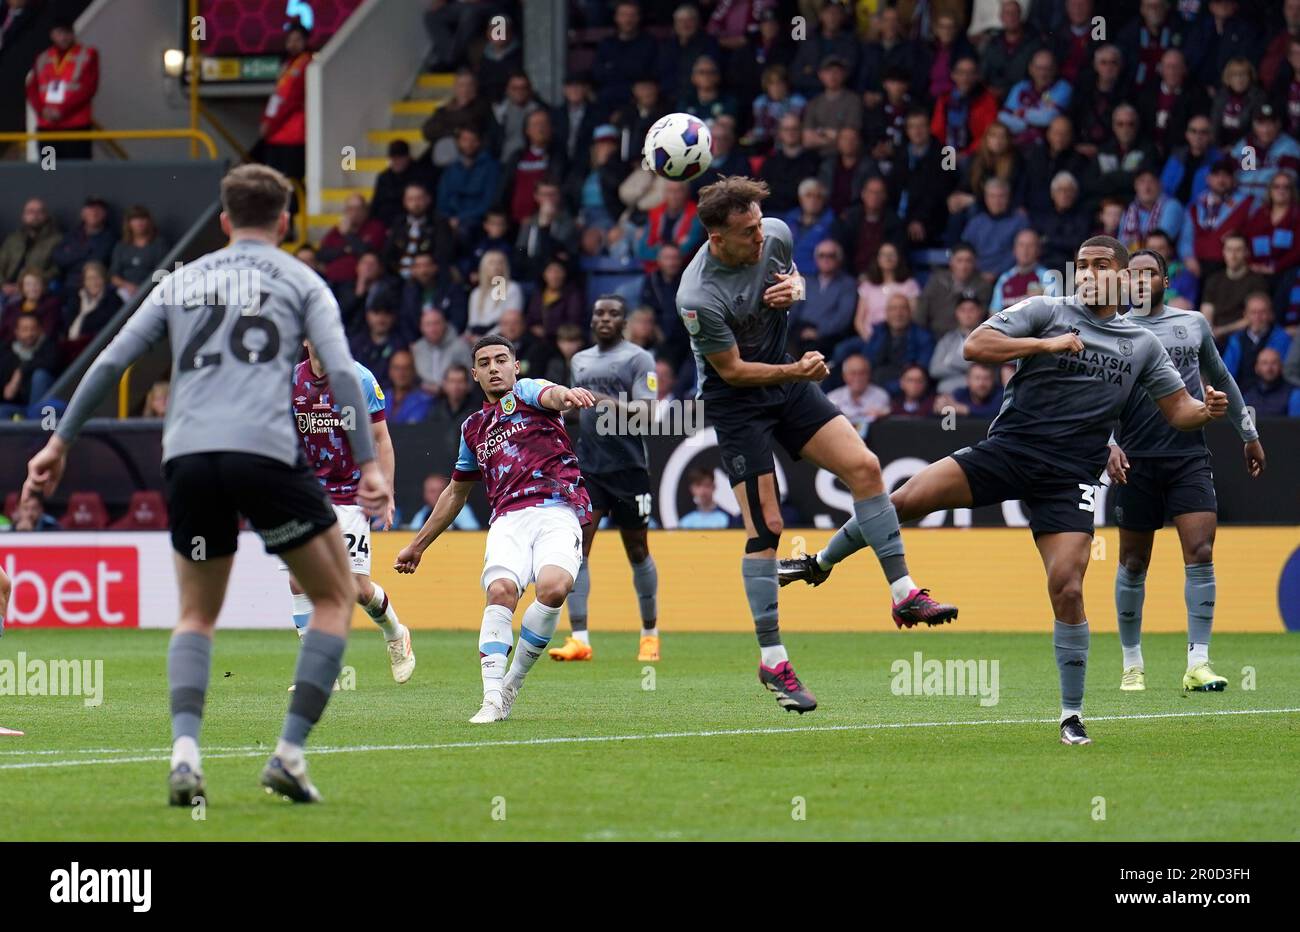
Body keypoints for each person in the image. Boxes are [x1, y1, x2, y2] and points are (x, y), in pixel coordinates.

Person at [21, 164, 390, 803]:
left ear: (222, 221)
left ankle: (186, 756)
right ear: (284, 222)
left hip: (188, 455)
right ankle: (289, 753)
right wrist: (370, 467)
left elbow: (111, 359)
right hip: (268, 455)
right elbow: (339, 371)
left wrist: (59, 442)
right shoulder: (304, 281)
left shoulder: (182, 279)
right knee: (334, 598)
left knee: (195, 613)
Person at [803, 237, 1226, 746]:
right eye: (1082, 266)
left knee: (1067, 587)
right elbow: (974, 346)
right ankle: (820, 563)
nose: (1089, 274)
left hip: (1070, 477)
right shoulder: (1046, 310)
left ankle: (1071, 716)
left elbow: (1178, 410)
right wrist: (1045, 345)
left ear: (1122, 277)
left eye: (1101, 266)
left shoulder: (1141, 344)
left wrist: (1207, 411)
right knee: (903, 501)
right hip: (1010, 450)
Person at [677, 176, 956, 715]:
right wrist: (798, 368)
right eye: (747, 231)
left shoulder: (775, 234)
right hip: (737, 401)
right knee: (767, 529)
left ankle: (904, 595)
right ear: (717, 238)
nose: (761, 236)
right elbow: (732, 371)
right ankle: (772, 658)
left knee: (867, 468)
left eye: (760, 223)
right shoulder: (697, 295)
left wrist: (794, 291)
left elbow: (795, 281)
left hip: (788, 386)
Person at [394, 336, 596, 724]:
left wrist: (567, 394)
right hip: (508, 519)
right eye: (484, 362)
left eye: (501, 360)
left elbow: (552, 396)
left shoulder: (528, 392)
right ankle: (489, 699)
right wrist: (418, 545)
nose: (493, 367)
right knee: (501, 591)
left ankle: (510, 686)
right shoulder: (473, 428)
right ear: (474, 374)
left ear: (515, 366)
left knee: (554, 588)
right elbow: (456, 493)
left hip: (557, 508)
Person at [1106, 249, 1263, 695]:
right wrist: (1108, 445)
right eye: (1132, 275)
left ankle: (1198, 662)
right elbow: (1090, 396)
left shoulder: (1192, 324)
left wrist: (1247, 433)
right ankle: (1132, 663)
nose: (1139, 281)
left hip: (1189, 457)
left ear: (1164, 280)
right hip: (1135, 460)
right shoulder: (1111, 329)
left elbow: (1222, 378)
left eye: (1148, 273)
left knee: (1200, 550)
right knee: (1134, 562)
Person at [288, 339, 413, 685]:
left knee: (357, 589)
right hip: (307, 492)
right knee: (298, 578)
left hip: (350, 493)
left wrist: (386, 491)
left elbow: (381, 439)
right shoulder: (290, 381)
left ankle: (395, 633)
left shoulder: (358, 378)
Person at [549, 295, 662, 663]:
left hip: (630, 468)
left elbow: (648, 414)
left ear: (624, 320)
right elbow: (574, 410)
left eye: (613, 313)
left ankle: (649, 634)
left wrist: (600, 400)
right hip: (589, 468)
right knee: (579, 547)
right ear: (592, 318)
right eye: (599, 312)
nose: (605, 318)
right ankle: (579, 638)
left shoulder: (638, 358)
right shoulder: (579, 360)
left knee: (637, 550)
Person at [25, 19, 98, 161]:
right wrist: (42, 110)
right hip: (47, 128)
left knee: (77, 173)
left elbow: (88, 89)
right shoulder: (43, 57)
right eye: (59, 33)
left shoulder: (88, 54)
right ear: (52, 35)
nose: (63, 37)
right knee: (49, 170)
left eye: (67, 33)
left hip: (76, 127)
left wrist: (61, 111)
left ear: (73, 34)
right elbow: (32, 88)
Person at [258, 22, 311, 185]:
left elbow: (289, 100)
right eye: (290, 40)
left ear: (305, 41)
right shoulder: (287, 66)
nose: (293, 44)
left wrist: (269, 123)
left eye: (297, 40)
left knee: (289, 184)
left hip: (293, 135)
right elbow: (277, 97)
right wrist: (267, 120)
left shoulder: (305, 64)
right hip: (278, 135)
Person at [0, 199, 59, 296]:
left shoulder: (55, 240)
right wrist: (2, 285)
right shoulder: (13, 239)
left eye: (39, 212)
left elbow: (55, 270)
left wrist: (28, 285)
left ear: (46, 216)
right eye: (30, 212)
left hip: (32, 291)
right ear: (23, 216)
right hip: (4, 289)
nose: (35, 216)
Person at [109, 206, 168, 302]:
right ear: (129, 223)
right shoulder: (121, 246)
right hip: (124, 292)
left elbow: (162, 273)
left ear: (149, 221)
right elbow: (114, 276)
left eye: (142, 219)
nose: (139, 223)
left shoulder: (159, 245)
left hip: (150, 291)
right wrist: (127, 286)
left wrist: (143, 288)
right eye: (135, 219)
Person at [825, 353, 890, 434]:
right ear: (844, 376)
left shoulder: (880, 396)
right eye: (853, 373)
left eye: (862, 373)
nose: (857, 378)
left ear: (869, 374)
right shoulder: (833, 397)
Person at [407, 473, 479, 531]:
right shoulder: (422, 514)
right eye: (432, 491)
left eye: (441, 491)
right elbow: (412, 535)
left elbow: (473, 533)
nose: (437, 495)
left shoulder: (460, 508)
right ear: (425, 494)